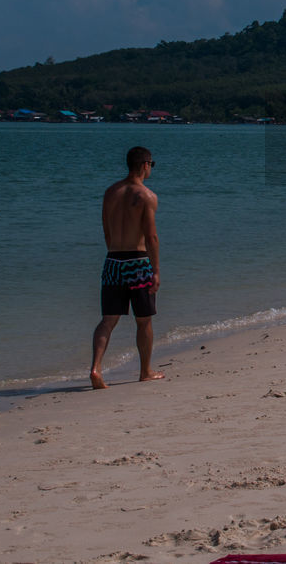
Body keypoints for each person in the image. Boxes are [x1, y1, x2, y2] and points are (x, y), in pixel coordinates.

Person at [90, 146, 164, 389]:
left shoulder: (110, 192)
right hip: (137, 262)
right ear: (145, 165)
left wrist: (115, 254)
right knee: (143, 321)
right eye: (151, 165)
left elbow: (106, 231)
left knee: (108, 320)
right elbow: (151, 237)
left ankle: (96, 368)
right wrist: (155, 270)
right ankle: (145, 371)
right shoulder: (146, 196)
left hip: (112, 261)